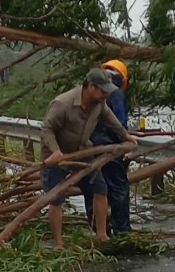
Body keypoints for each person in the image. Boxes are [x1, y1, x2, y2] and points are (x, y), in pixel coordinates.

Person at [41, 68, 137, 248]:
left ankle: (102, 237)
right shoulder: (63, 103)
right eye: (102, 91)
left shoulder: (99, 104)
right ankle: (58, 245)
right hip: (57, 155)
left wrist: (125, 136)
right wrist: (55, 151)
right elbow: (47, 129)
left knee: (100, 189)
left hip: (82, 151)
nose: (105, 95)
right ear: (90, 87)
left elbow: (110, 119)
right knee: (56, 198)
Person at [98, 58, 134, 236]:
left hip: (91, 146)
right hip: (111, 147)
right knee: (118, 187)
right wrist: (125, 144)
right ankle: (121, 230)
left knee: (96, 188)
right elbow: (120, 122)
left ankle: (99, 229)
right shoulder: (115, 93)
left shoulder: (93, 87)